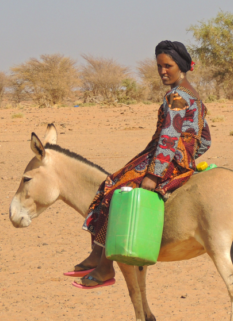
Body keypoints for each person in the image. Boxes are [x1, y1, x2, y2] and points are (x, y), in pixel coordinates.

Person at [72, 41, 211, 288]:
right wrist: (189, 157)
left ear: (180, 66)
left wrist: (155, 175)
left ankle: (104, 267)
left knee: (115, 191)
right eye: (159, 66)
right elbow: (205, 140)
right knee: (112, 183)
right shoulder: (194, 95)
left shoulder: (177, 96)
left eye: (167, 66)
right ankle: (97, 256)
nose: (162, 71)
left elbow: (168, 138)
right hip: (177, 158)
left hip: (166, 158)